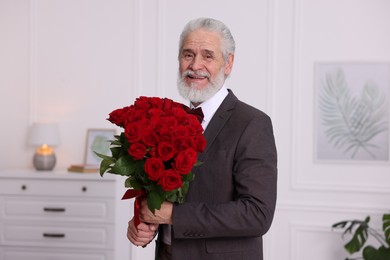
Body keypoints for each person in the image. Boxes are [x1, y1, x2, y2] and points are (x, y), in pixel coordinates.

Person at [127, 17, 277, 260]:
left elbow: (257, 214)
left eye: (208, 56)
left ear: (228, 63)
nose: (195, 65)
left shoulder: (252, 123)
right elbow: (164, 197)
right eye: (188, 54)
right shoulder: (166, 121)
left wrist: (173, 215)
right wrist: (144, 225)